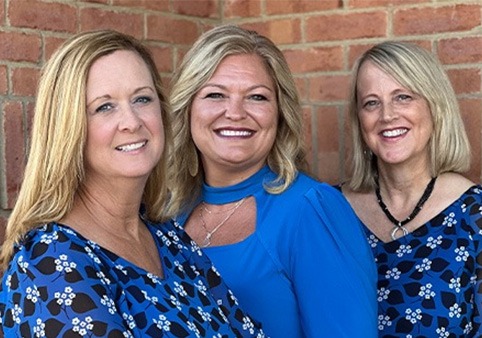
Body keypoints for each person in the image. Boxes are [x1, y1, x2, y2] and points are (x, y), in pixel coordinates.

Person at [0, 29, 266, 337]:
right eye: (104, 106)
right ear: (69, 127)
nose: (132, 121)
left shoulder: (170, 239)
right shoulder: (50, 264)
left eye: (142, 99)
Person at [167, 24, 377, 337]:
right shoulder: (170, 209)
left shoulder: (310, 209)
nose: (235, 112)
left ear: (279, 113)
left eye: (256, 97)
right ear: (187, 108)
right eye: (215, 94)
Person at [339, 41, 482, 336]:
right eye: (371, 102)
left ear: (435, 107)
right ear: (359, 119)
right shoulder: (328, 209)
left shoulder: (475, 217)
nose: (387, 115)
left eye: (403, 97)